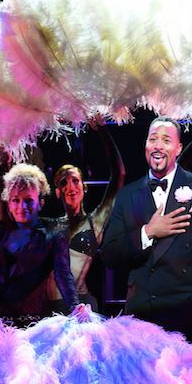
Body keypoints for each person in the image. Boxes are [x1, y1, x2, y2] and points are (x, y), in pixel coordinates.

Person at [101, 117, 192, 341]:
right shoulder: (127, 195)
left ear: (178, 148)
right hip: (143, 316)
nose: (158, 146)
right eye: (153, 139)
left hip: (191, 312)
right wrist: (148, 232)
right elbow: (109, 255)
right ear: (145, 145)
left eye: (166, 140)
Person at [0, 163, 78, 327]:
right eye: (15, 200)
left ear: (40, 203)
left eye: (29, 200)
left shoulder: (54, 233)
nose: (22, 206)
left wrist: (74, 306)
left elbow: (63, 274)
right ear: (8, 203)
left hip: (34, 323)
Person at [47, 116, 125, 312]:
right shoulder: (50, 225)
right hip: (50, 307)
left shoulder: (95, 221)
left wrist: (102, 130)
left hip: (82, 304)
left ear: (84, 187)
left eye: (75, 181)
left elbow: (119, 174)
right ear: (57, 192)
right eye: (63, 183)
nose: (70, 186)